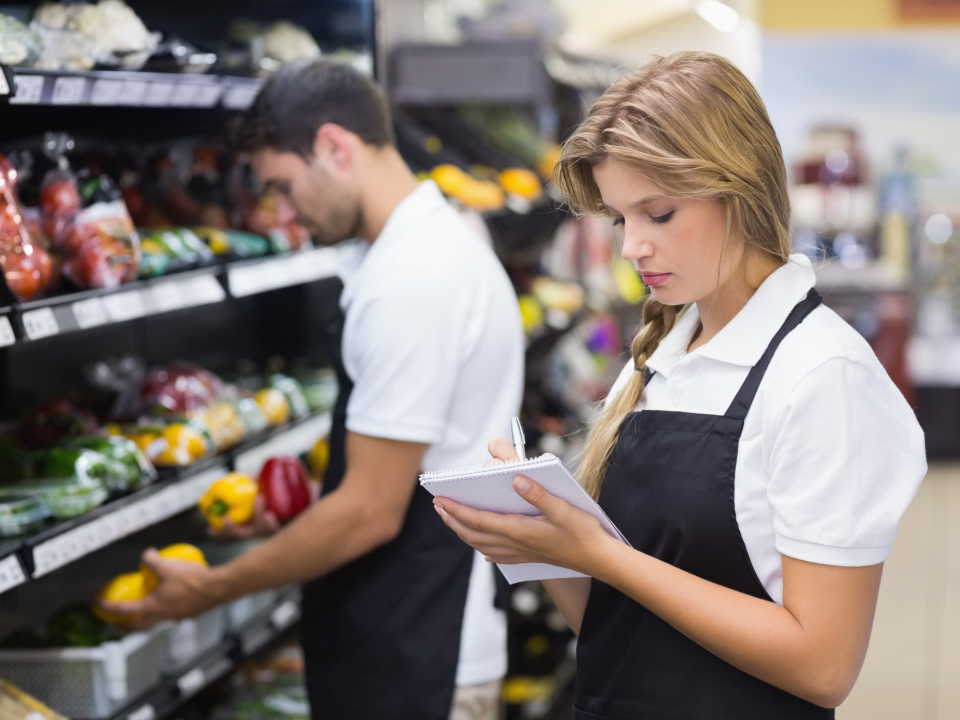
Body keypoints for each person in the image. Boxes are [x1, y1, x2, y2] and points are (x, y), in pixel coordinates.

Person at [433, 51, 926, 719]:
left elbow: (824, 665)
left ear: (739, 190)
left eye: (657, 214)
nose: (632, 246)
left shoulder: (821, 375)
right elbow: (617, 633)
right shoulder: (660, 360)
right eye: (619, 219)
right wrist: (541, 543)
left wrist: (602, 556)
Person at [103, 59, 524, 720]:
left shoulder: (413, 278)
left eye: (283, 184)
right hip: (407, 629)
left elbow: (370, 511)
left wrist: (209, 589)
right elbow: (405, 478)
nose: (283, 211)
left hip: (422, 650)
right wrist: (303, 522)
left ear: (334, 146)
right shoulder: (431, 245)